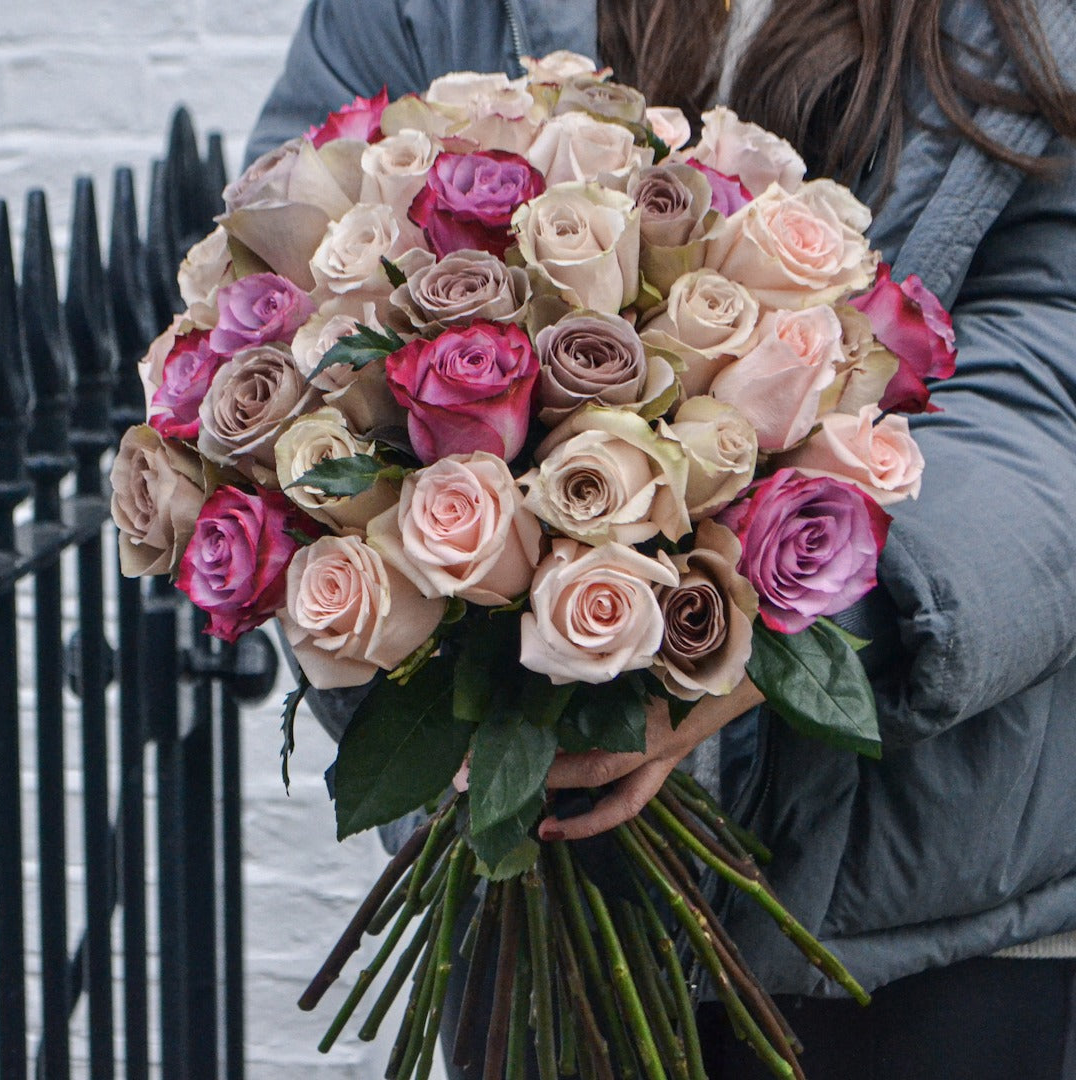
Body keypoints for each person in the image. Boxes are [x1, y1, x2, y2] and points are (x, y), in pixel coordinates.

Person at [246, 1, 1076, 1076]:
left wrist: (760, 630)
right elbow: (293, 306)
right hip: (533, 892)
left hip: (927, 912)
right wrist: (452, 627)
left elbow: (1046, 398)